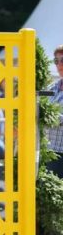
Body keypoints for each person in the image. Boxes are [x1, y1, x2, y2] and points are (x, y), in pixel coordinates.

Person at [47, 45, 63, 178]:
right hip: (48, 152)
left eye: (62, 60)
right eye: (56, 61)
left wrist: (47, 116)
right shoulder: (51, 87)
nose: (59, 65)